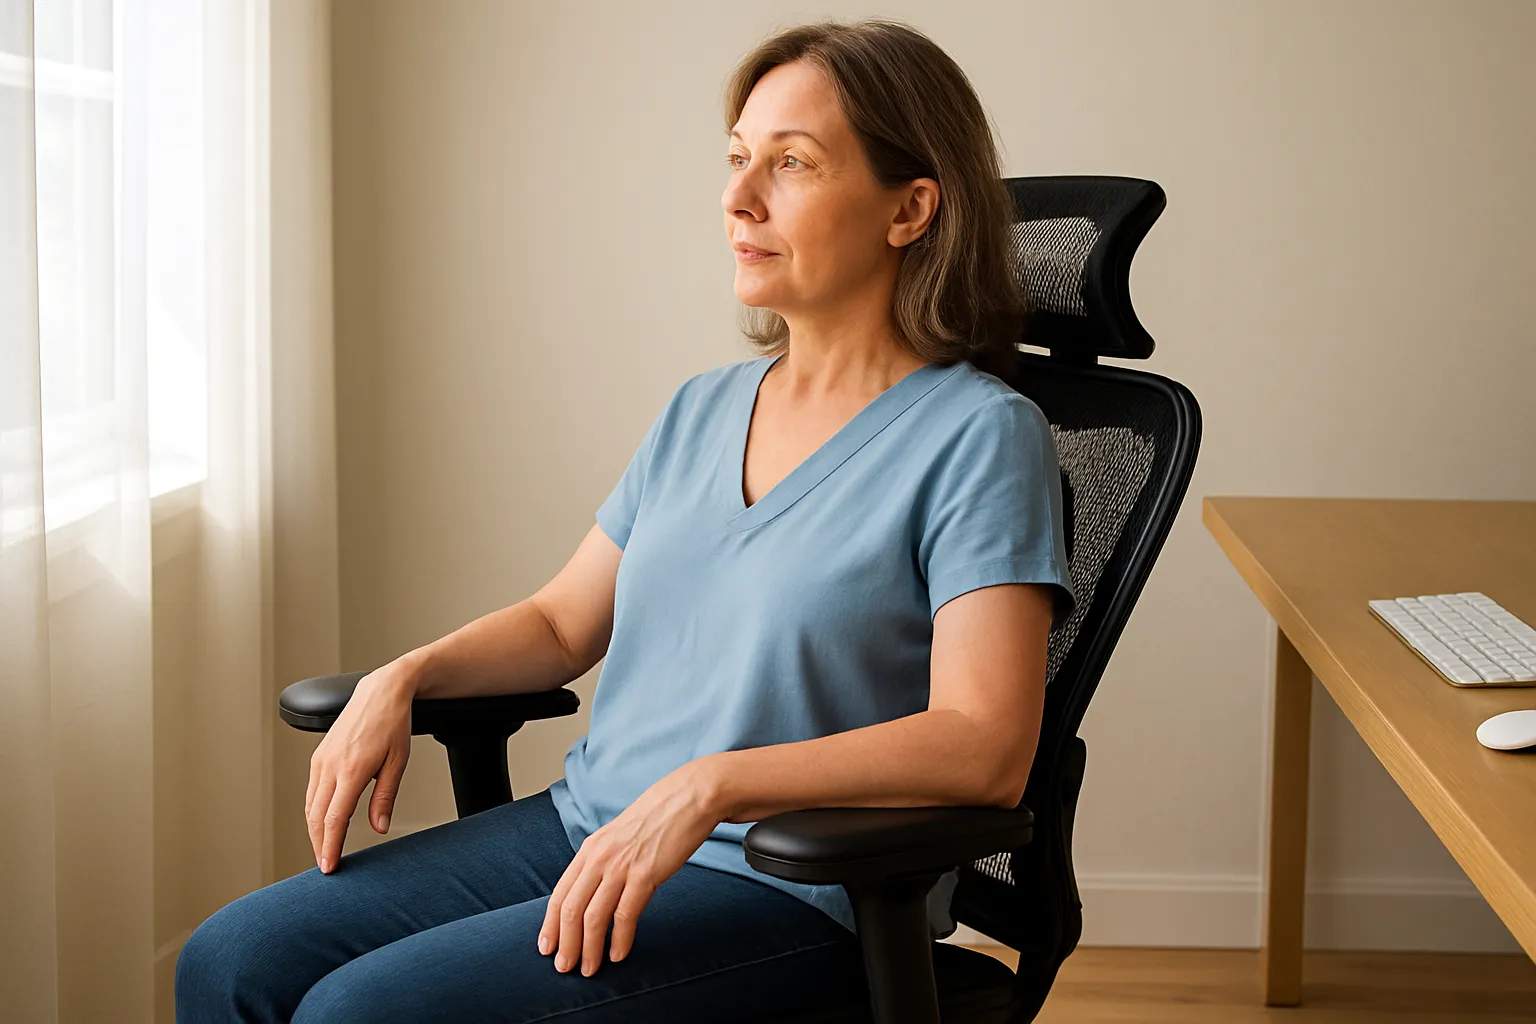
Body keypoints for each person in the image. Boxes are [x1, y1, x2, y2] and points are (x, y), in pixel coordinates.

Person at [176, 17, 1075, 1022]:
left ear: (909, 209)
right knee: (229, 962)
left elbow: (984, 744)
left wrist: (713, 786)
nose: (739, 199)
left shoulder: (981, 437)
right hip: (590, 827)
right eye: (738, 158)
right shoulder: (705, 406)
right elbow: (563, 625)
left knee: (358, 1014)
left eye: (793, 163)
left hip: (796, 887)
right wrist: (406, 674)